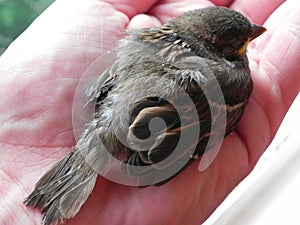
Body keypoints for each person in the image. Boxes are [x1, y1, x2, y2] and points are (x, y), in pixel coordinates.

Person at [0, 0, 299, 224]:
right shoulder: (231, 80)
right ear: (221, 46)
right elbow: (202, 131)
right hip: (145, 121)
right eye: (240, 40)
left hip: (116, 103)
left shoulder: (160, 34)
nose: (255, 34)